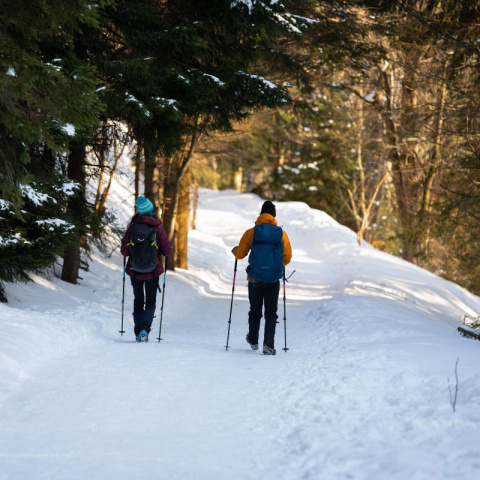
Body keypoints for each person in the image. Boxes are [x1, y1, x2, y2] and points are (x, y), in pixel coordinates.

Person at [232, 200, 292, 355]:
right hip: (273, 279)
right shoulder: (281, 234)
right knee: (271, 313)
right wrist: (279, 264)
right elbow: (287, 257)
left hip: (255, 279)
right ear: (274, 216)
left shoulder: (251, 232)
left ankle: (253, 340)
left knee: (255, 310)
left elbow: (240, 254)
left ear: (261, 214)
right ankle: (268, 345)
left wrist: (235, 251)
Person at [121, 195, 172, 342]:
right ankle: (145, 329)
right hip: (152, 271)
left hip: (135, 271)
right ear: (150, 210)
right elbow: (167, 251)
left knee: (138, 300)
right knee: (150, 302)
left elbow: (124, 251)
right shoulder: (157, 227)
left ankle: (138, 331)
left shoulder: (132, 227)